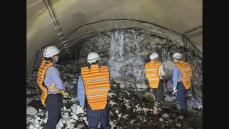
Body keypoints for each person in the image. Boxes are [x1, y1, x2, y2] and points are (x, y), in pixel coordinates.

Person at [77, 52, 111, 129]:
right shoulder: (105, 72)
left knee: (92, 126)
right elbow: (107, 86)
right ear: (98, 60)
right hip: (103, 104)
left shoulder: (83, 75)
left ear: (88, 62)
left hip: (91, 105)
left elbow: (81, 92)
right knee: (106, 125)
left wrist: (82, 105)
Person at [37, 46, 65, 129]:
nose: (58, 56)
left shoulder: (45, 66)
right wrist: (63, 90)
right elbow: (60, 85)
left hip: (48, 97)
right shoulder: (52, 69)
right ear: (53, 56)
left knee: (54, 118)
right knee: (52, 122)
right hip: (54, 98)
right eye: (57, 55)